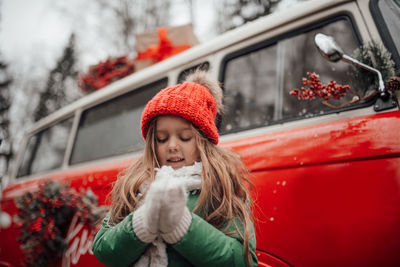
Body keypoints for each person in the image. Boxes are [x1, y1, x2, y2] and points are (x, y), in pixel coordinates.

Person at [92, 70, 258, 267]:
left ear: (203, 142)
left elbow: (242, 260)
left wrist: (181, 224)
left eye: (184, 137)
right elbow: (103, 248)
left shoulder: (221, 187)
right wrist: (141, 223)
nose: (172, 146)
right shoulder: (137, 184)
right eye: (162, 139)